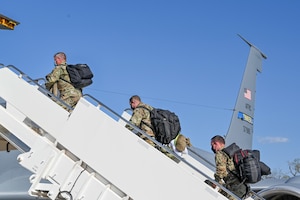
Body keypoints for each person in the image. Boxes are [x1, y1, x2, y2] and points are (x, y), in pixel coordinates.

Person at [211, 135, 249, 199]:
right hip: (243, 188)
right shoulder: (231, 155)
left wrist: (215, 182)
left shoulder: (220, 154)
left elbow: (221, 171)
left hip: (235, 188)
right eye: (212, 145)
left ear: (219, 143)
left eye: (214, 144)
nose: (213, 147)